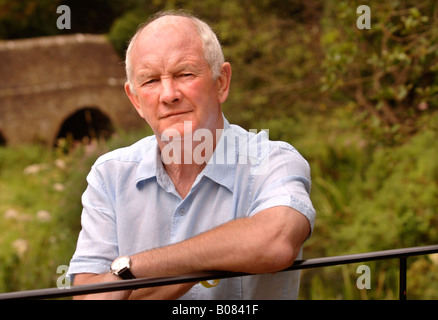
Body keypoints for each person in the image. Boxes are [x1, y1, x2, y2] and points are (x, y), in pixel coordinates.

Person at [67, 10, 316, 300]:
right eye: (150, 81)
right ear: (135, 100)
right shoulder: (109, 175)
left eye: (185, 74)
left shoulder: (273, 161)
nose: (168, 94)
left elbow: (275, 243)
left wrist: (133, 269)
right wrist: (223, 254)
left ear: (221, 82)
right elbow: (88, 297)